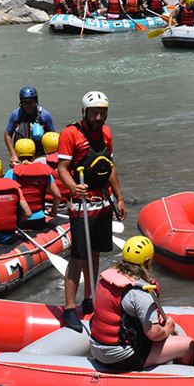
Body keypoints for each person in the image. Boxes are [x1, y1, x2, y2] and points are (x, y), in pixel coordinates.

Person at [58, 91, 127, 330]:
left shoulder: (106, 133)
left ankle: (90, 298)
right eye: (94, 112)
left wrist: (119, 197)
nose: (99, 117)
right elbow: (63, 168)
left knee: (95, 252)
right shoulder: (70, 134)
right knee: (78, 256)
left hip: (102, 201)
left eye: (103, 112)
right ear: (84, 113)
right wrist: (73, 188)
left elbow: (110, 166)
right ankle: (69, 308)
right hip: (81, 203)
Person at [89, 236, 194, 370]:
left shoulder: (107, 278)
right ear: (147, 261)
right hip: (121, 357)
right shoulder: (141, 292)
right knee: (188, 345)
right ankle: (182, 380)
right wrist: (167, 329)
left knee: (176, 330)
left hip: (97, 348)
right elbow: (154, 334)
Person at [4, 139, 61, 230]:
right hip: (39, 220)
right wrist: (54, 211)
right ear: (34, 153)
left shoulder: (11, 173)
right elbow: (57, 195)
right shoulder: (45, 172)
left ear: (17, 153)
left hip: (19, 220)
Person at [5, 85, 55, 164]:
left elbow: (53, 137)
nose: (28, 105)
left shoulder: (45, 116)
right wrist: (13, 154)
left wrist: (52, 157)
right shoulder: (16, 115)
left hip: (40, 155)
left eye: (30, 102)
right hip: (21, 156)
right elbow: (8, 135)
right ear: (21, 103)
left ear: (36, 101)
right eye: (25, 102)